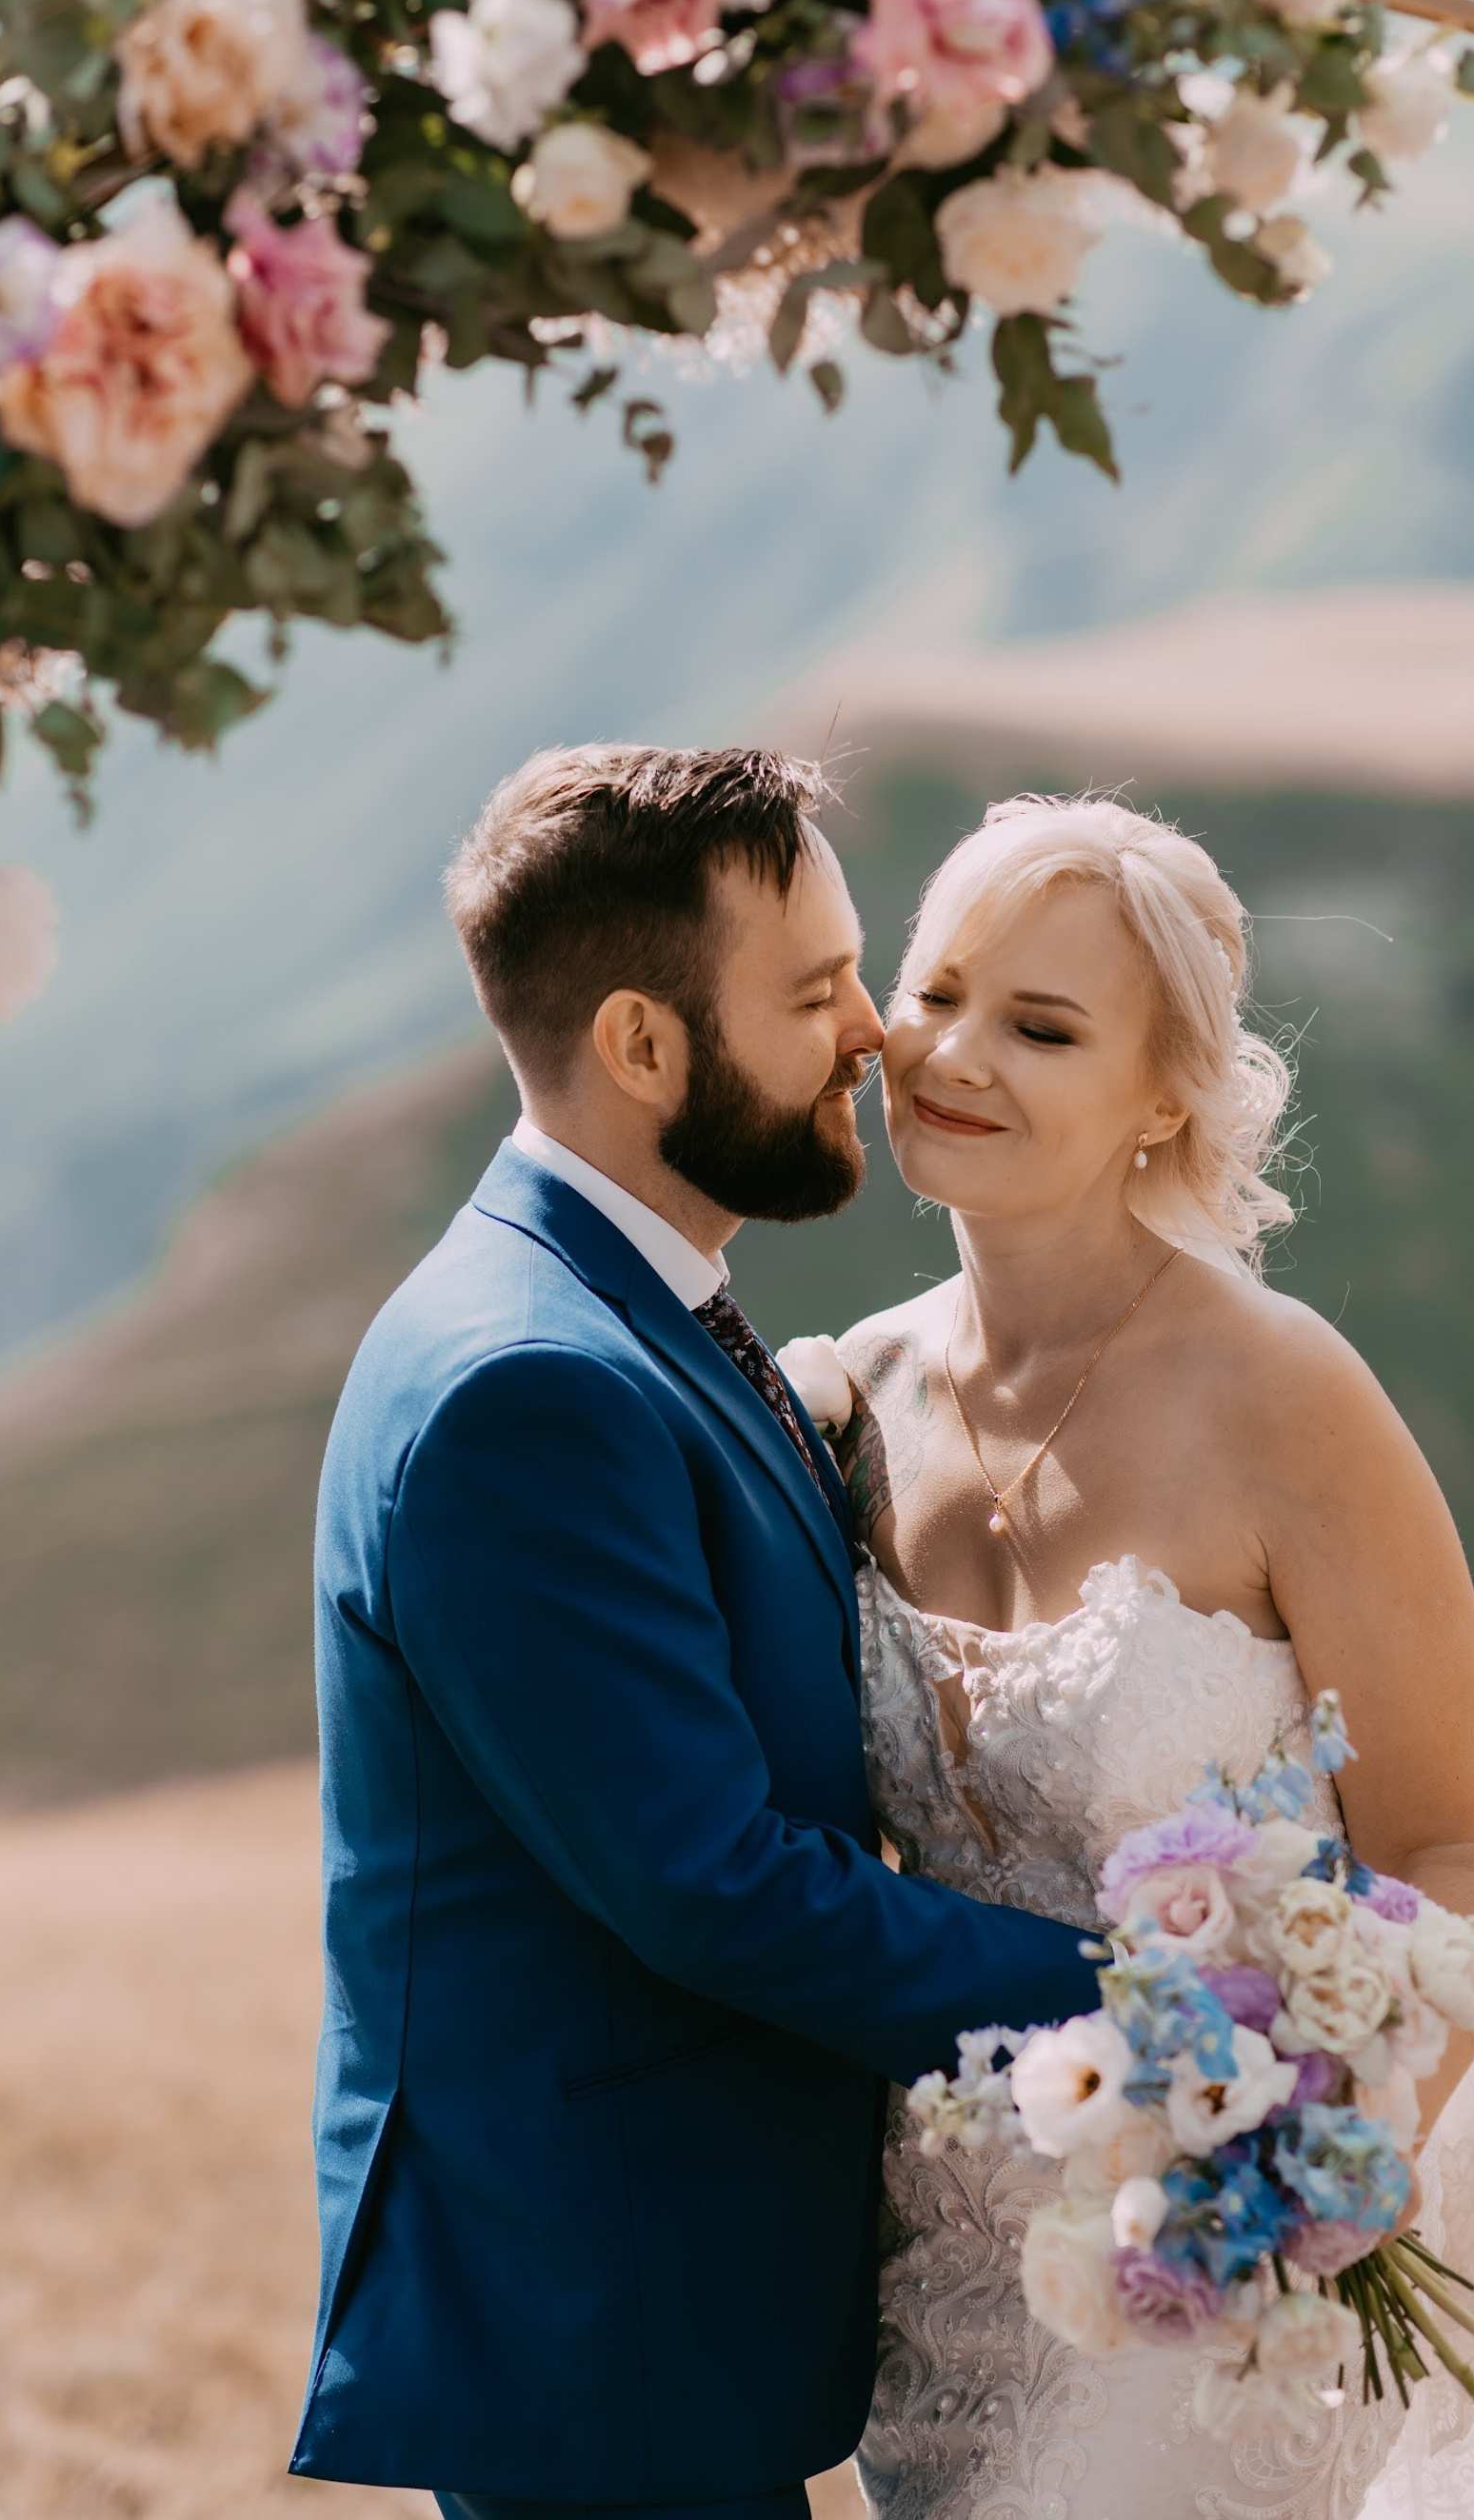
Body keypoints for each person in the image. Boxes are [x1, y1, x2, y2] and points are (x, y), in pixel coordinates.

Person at [829, 792, 1474, 2518]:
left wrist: (1306, 2182)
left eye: (1042, 1027)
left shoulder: (1287, 1398)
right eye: (937, 993)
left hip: (1245, 2266)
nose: (954, 1054)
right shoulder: (853, 1396)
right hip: (951, 2261)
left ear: (1164, 1100)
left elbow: (1452, 1846)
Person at [289, 746, 1108, 2520]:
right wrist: (1143, 2003)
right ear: (644, 1046)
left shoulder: (612, 1311)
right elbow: (712, 1882)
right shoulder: (528, 1388)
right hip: (604, 2305)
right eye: (814, 995)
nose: (875, 1034)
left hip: (655, 2293)